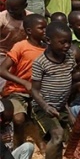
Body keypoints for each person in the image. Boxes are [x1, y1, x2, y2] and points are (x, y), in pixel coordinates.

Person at [30, 22, 76, 159]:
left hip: (61, 106)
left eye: (69, 42)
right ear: (48, 40)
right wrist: (45, 106)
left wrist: (68, 110)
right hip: (42, 106)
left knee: (60, 141)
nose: (66, 45)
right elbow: (34, 91)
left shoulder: (69, 57)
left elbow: (68, 82)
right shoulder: (40, 62)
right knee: (56, 135)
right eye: (62, 42)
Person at [0, 14, 47, 148]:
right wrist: (23, 82)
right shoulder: (20, 46)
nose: (44, 31)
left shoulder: (47, 50)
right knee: (18, 118)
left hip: (37, 92)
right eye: (41, 28)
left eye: (46, 28)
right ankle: (19, 146)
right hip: (16, 90)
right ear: (29, 31)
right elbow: (2, 70)